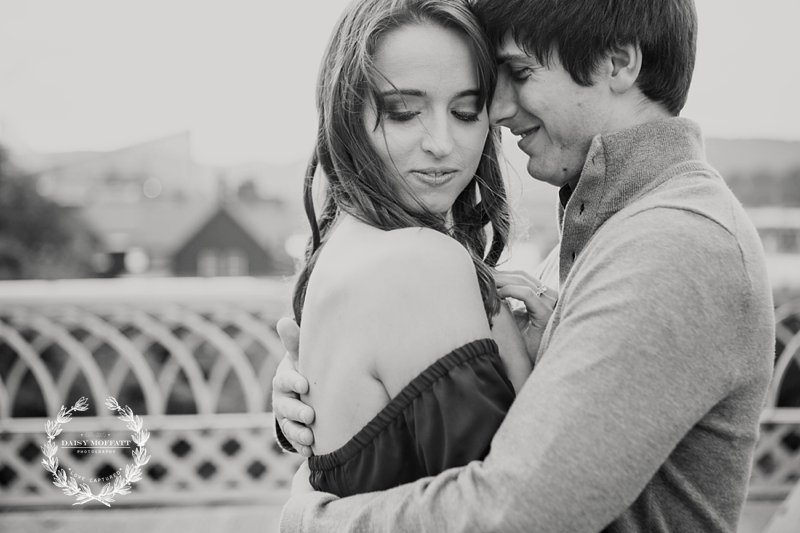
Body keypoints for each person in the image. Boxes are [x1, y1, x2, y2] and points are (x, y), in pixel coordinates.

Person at [274, 0, 776, 531]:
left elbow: (514, 512)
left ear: (618, 62)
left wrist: (314, 520)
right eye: (404, 110)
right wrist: (335, 383)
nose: (497, 109)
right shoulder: (611, 227)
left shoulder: (675, 245)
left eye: (519, 71)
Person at [281, 0, 551, 499]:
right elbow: (517, 502)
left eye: (466, 112)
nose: (442, 143)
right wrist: (537, 359)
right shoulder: (420, 260)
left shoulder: (341, 250)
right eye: (404, 112)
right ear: (346, 115)